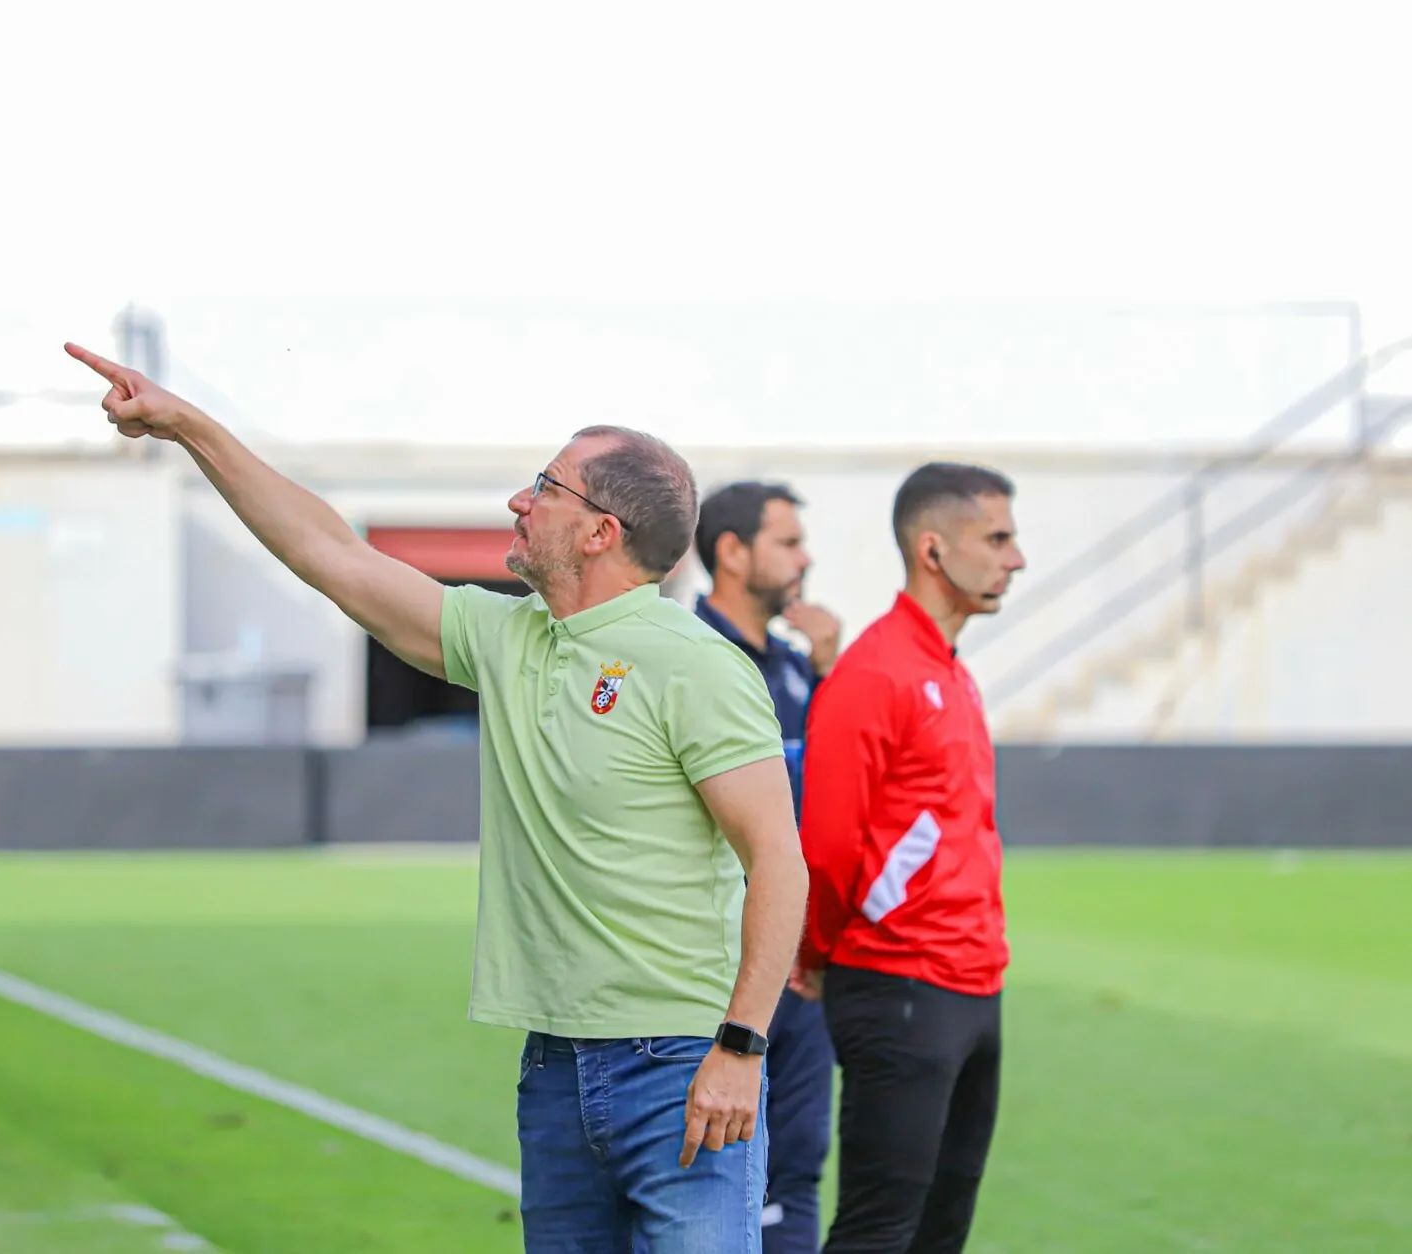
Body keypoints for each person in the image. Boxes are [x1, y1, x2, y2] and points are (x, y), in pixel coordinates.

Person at [65, 340, 808, 1252]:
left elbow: (777, 857)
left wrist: (740, 1047)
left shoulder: (694, 664)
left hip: (680, 1062)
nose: (518, 500)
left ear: (600, 530)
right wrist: (188, 428)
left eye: (544, 486)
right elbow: (325, 551)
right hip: (555, 1062)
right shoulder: (506, 636)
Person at [794, 462, 1026, 1254]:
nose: (1015, 558)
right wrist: (816, 949)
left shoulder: (950, 673)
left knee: (940, 1231)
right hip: (896, 984)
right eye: (995, 538)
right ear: (932, 549)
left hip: (974, 984)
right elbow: (826, 847)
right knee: (876, 1233)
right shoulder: (874, 672)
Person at [692, 481, 842, 1254]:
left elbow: (831, 795)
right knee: (709, 1171)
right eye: (787, 541)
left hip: (803, 963)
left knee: (798, 1165)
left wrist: (826, 674)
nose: (804, 558)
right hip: (718, 968)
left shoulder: (791, 666)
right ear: (731, 550)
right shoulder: (684, 659)